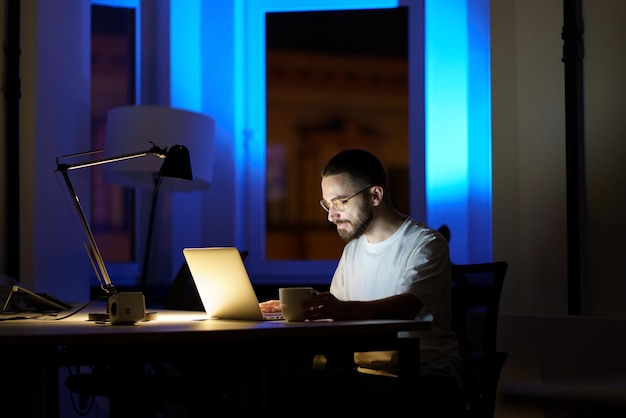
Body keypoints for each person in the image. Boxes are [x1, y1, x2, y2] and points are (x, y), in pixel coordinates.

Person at [260, 149, 464, 416]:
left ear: (375, 195)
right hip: (366, 377)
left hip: (422, 376)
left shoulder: (426, 244)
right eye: (327, 204)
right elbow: (334, 313)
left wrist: (339, 310)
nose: (331, 216)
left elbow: (408, 306)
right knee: (278, 391)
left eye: (340, 202)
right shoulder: (352, 249)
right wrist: (297, 311)